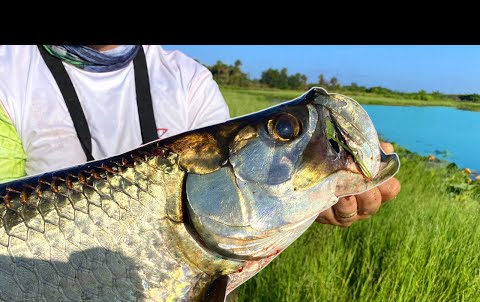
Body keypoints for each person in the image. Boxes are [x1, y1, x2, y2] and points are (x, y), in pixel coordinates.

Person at [0, 45, 400, 228]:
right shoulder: (8, 72)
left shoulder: (188, 79)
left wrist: (313, 200)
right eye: (283, 131)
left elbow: (234, 192)